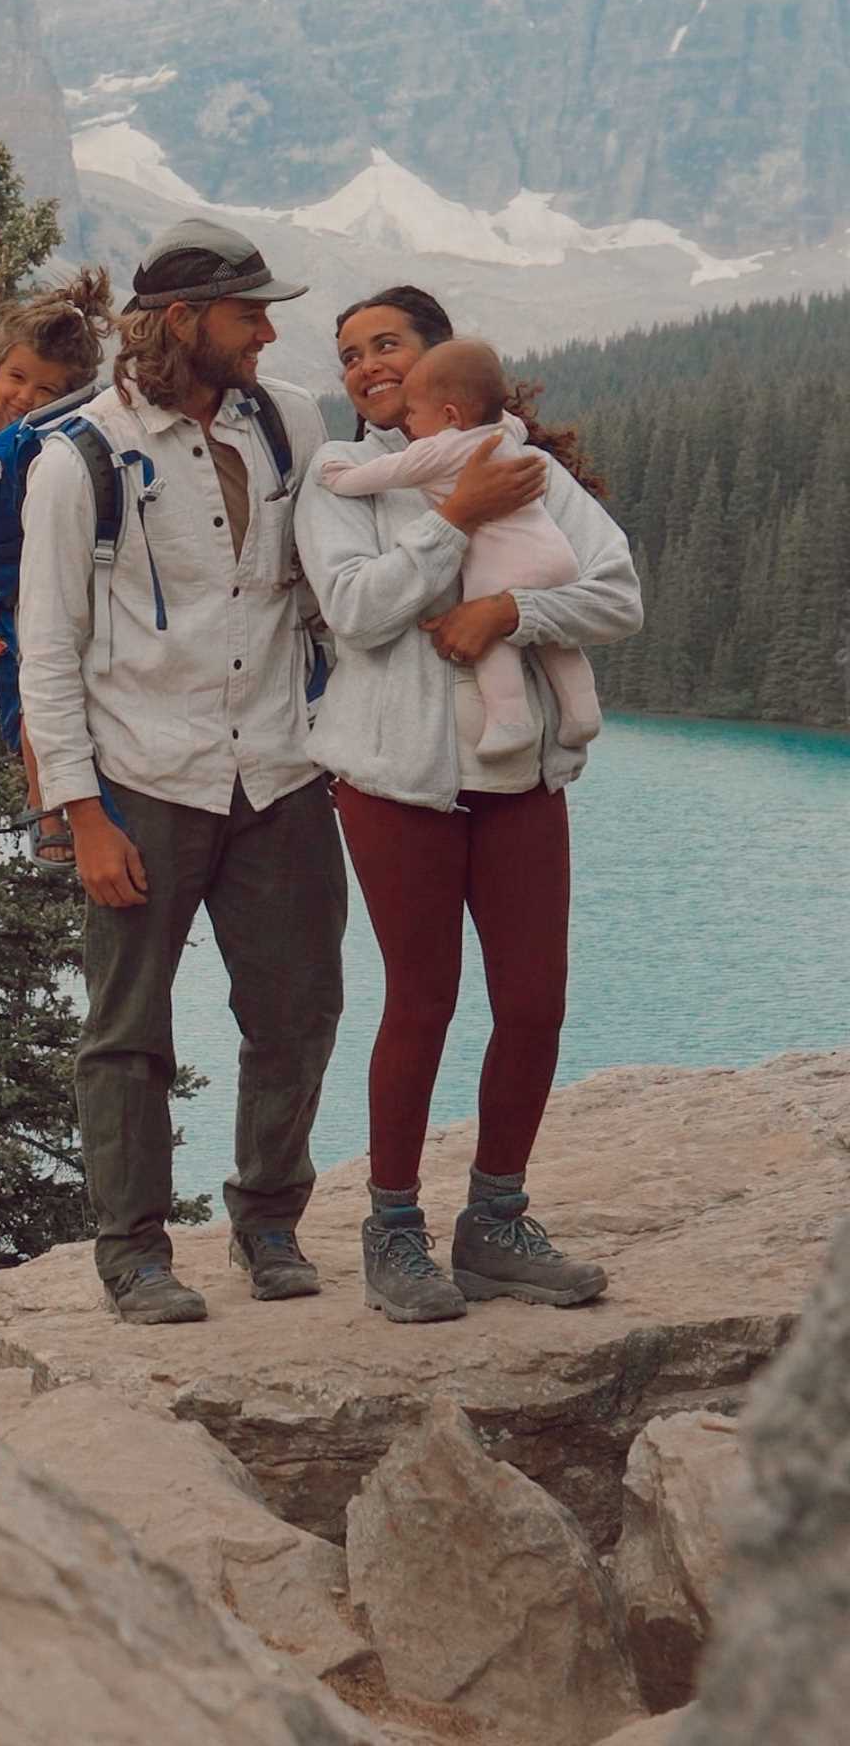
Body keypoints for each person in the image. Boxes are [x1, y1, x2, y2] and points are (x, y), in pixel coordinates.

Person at [18, 219, 346, 1324]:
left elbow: (327, 588)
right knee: (126, 1031)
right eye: (246, 312)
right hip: (145, 784)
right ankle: (134, 1253)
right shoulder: (81, 459)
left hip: (282, 774)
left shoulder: (291, 424)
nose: (266, 330)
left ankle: (266, 1221)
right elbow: (48, 647)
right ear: (179, 323)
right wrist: (81, 813)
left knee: (298, 1009)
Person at [294, 287, 642, 1326]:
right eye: (349, 354)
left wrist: (510, 608)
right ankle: (392, 1231)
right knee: (421, 999)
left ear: (439, 359)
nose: (365, 366)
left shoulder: (518, 459)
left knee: (532, 1001)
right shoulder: (341, 482)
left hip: (517, 777)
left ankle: (493, 1225)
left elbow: (618, 595)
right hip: (392, 778)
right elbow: (354, 612)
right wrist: (454, 523)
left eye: (386, 344)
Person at [320, 336, 601, 761]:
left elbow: (382, 473)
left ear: (449, 416)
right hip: (558, 557)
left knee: (487, 634)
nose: (410, 422)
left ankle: (510, 720)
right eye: (352, 357)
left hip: (505, 568)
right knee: (557, 645)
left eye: (413, 412)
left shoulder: (439, 449)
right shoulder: (508, 434)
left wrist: (336, 476)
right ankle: (582, 712)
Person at [0, 268, 113, 867]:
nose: (24, 397)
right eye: (16, 377)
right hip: (19, 589)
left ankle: (71, 803)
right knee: (34, 694)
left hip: (72, 577)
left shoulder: (71, 439)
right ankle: (49, 808)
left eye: (45, 391)